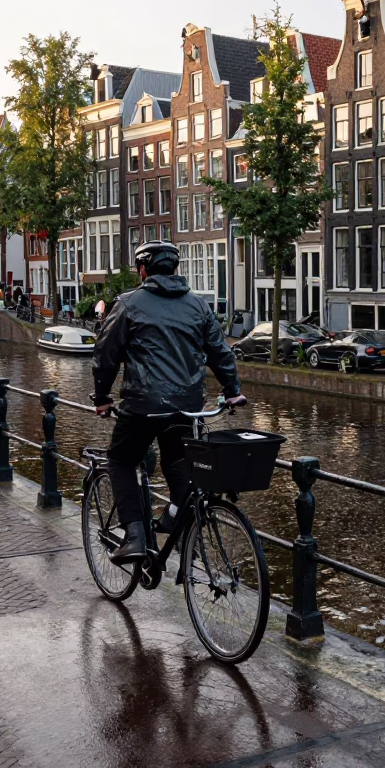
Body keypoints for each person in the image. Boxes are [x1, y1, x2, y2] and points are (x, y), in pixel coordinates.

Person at [91, 240, 245, 564]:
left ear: (142, 269)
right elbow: (220, 351)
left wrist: (102, 396)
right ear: (175, 269)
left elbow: (106, 355)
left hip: (143, 405)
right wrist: (232, 390)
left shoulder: (128, 303)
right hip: (186, 404)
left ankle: (134, 535)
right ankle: (177, 515)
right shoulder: (198, 306)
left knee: (120, 460)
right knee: (177, 460)